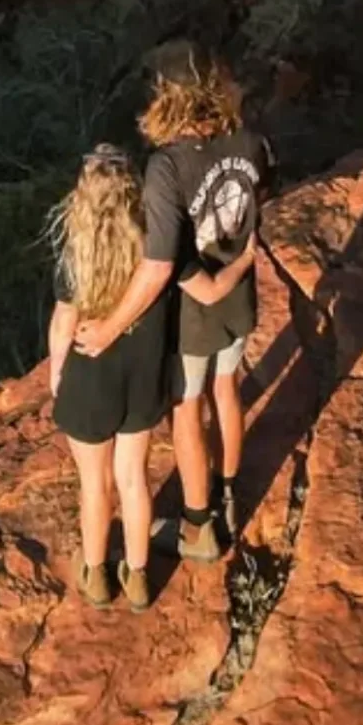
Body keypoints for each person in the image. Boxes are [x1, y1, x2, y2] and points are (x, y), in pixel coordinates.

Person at [73, 51, 267, 566]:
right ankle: (228, 495)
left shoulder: (167, 166)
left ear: (174, 99)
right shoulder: (250, 140)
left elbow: (158, 266)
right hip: (239, 295)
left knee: (188, 410)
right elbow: (255, 205)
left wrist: (110, 329)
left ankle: (199, 527)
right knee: (229, 390)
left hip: (194, 312)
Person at [46, 144, 169, 608]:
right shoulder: (156, 238)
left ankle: (96, 575)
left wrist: (58, 370)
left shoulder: (75, 253)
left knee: (93, 484)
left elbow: (63, 320)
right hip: (142, 369)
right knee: (133, 477)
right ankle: (138, 578)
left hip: (90, 375)